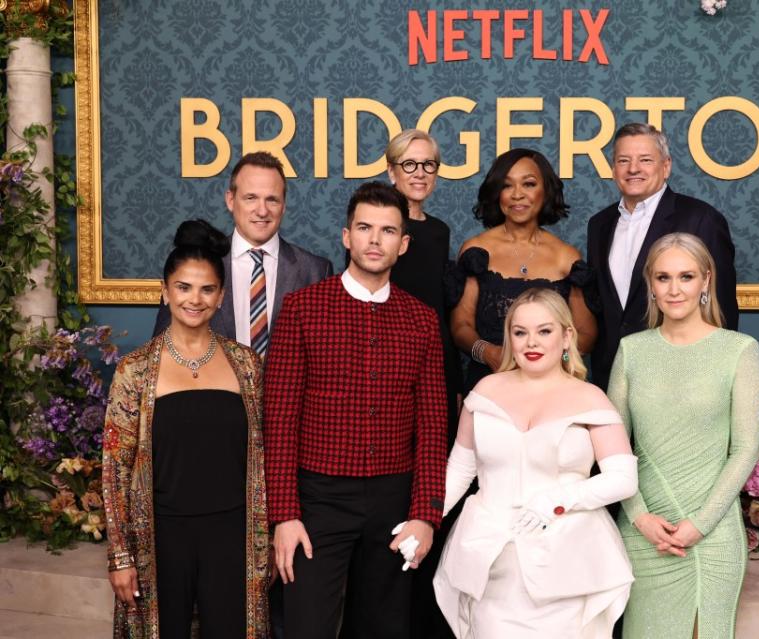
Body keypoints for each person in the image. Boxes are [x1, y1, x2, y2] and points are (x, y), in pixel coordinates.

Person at [263, 182, 447, 639]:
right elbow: (280, 417)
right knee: (307, 626)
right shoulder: (303, 308)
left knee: (383, 628)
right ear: (346, 236)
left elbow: (433, 425)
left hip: (394, 500)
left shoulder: (421, 319)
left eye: (387, 231)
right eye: (364, 227)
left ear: (403, 244)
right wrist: (284, 514)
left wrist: (425, 515)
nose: (374, 239)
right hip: (317, 498)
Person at [435, 288, 636, 639]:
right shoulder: (484, 391)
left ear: (566, 336)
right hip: (489, 558)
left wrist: (555, 500)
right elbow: (460, 471)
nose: (532, 342)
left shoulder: (590, 397)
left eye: (544, 331)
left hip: (566, 563)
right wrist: (424, 519)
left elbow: (622, 479)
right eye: (520, 332)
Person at [102, 220, 269, 638]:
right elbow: (114, 470)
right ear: (165, 290)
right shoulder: (135, 370)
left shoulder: (246, 365)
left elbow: (266, 454)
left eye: (207, 289)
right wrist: (120, 557)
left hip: (233, 535)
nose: (195, 299)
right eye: (183, 287)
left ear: (221, 296)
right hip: (160, 536)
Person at [606, 233, 759, 639]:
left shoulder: (739, 350)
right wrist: (640, 516)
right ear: (650, 284)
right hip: (644, 531)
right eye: (663, 277)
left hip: (710, 534)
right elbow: (613, 449)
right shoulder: (631, 350)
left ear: (706, 281)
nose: (674, 289)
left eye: (686, 276)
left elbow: (747, 448)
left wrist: (700, 522)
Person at [587, 123, 738, 391]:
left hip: (681, 378)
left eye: (645, 160)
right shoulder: (599, 225)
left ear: (665, 166)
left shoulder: (701, 219)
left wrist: (710, 380)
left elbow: (722, 307)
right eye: (624, 161)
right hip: (611, 377)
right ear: (613, 169)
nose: (633, 169)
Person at [384, 129, 462, 639]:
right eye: (409, 164)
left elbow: (439, 312)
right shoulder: (378, 224)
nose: (419, 174)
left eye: (429, 166)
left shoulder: (438, 233)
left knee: (432, 491)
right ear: (391, 170)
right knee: (392, 494)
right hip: (386, 377)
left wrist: (452, 382)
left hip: (434, 373)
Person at [153, 151, 333, 356]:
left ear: (284, 205)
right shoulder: (198, 264)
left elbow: (323, 356)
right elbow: (163, 346)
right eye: (251, 198)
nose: (262, 211)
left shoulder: (315, 270)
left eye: (272, 200)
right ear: (230, 200)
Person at [450, 148, 597, 393]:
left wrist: (548, 361)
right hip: (489, 384)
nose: (518, 195)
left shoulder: (567, 256)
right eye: (507, 186)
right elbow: (460, 326)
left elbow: (586, 333)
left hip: (551, 389)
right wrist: (489, 353)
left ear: (546, 191)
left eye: (528, 184)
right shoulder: (476, 250)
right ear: (497, 194)